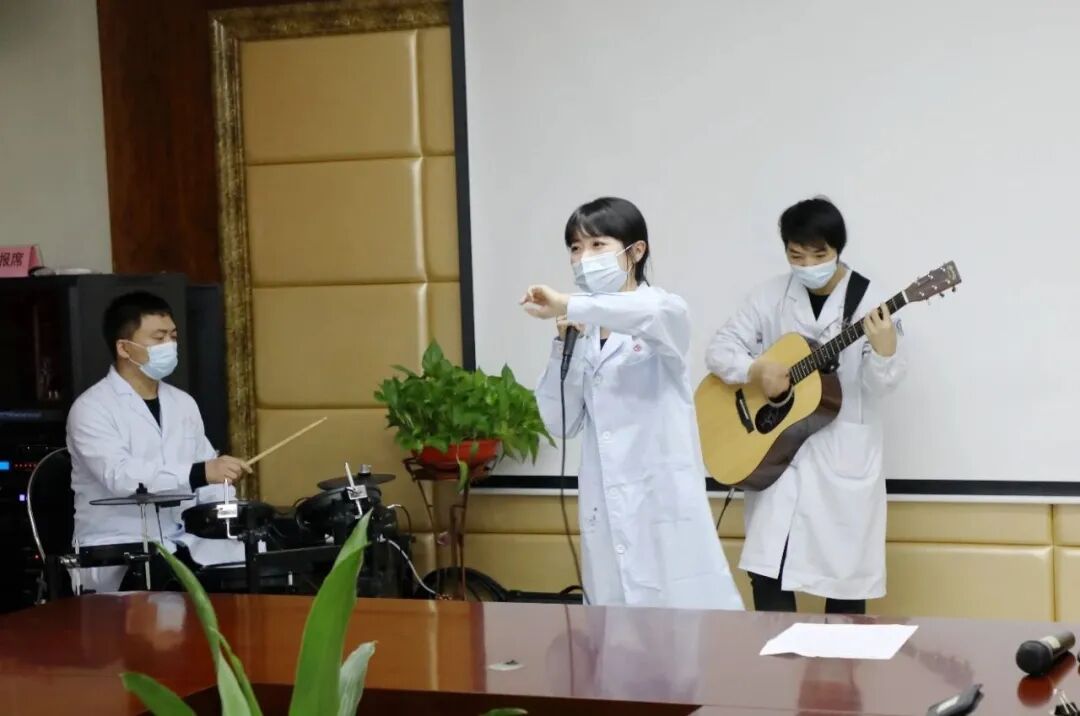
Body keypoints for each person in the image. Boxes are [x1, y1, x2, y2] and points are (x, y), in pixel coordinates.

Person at [521, 197, 743, 610]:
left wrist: (569, 302)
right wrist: (562, 346)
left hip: (661, 503)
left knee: (686, 630)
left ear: (636, 251)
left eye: (597, 245)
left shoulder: (664, 309)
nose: (583, 259)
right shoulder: (583, 331)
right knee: (615, 635)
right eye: (575, 248)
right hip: (606, 509)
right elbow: (560, 421)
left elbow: (645, 311)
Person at [705, 197, 907, 614]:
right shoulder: (769, 296)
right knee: (768, 575)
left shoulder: (872, 301)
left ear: (838, 249)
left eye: (819, 254)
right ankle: (776, 660)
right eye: (797, 255)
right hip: (776, 458)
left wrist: (885, 350)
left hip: (841, 465)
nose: (808, 264)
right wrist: (757, 370)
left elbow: (880, 385)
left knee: (844, 587)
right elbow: (720, 349)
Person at [67, 291, 250, 592]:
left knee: (251, 561)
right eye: (159, 338)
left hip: (182, 538)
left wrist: (228, 508)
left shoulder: (183, 403)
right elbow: (122, 477)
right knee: (170, 589)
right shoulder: (91, 408)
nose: (170, 346)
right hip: (118, 544)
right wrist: (201, 473)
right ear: (124, 348)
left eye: (173, 337)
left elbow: (208, 472)